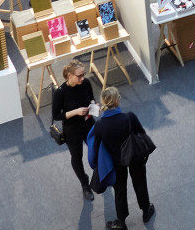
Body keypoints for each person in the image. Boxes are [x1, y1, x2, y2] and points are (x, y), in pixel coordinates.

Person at [89, 86, 155, 227]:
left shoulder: (100, 125)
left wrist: (95, 164)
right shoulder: (129, 117)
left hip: (116, 162)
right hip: (134, 157)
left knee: (119, 191)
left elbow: (96, 147)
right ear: (117, 101)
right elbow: (141, 133)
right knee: (140, 183)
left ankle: (121, 222)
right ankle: (146, 211)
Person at [52, 62, 98, 200]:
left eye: (83, 74)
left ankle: (99, 175)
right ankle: (85, 184)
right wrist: (76, 112)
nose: (82, 78)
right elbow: (56, 115)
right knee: (76, 157)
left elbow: (91, 97)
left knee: (97, 150)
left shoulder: (86, 83)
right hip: (72, 129)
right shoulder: (61, 92)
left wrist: (93, 105)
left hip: (88, 123)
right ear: (69, 76)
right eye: (79, 76)